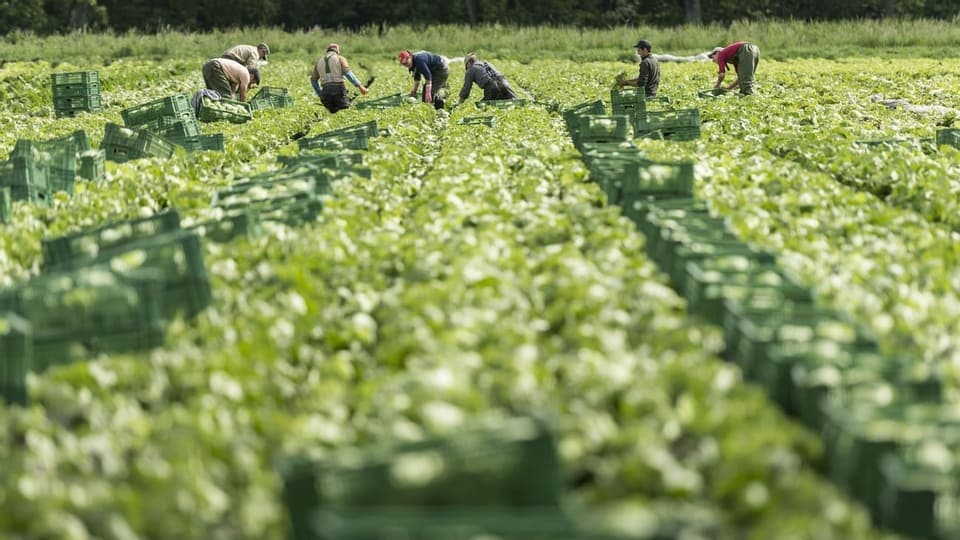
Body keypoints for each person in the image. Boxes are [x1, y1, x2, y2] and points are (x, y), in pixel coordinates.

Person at [311, 43, 368, 114]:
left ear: (327, 51)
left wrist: (320, 94)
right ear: (337, 51)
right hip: (338, 89)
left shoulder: (318, 62)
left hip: (325, 90)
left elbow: (313, 80)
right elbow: (348, 73)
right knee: (344, 112)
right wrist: (360, 86)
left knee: (332, 113)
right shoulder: (340, 58)